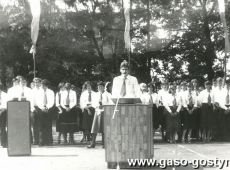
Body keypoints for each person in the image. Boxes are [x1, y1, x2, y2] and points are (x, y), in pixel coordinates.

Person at [36, 79, 54, 145]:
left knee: (48, 125)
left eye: (43, 85)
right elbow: (38, 101)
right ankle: (41, 141)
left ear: (47, 85)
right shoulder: (38, 92)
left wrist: (47, 107)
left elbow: (52, 101)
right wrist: (42, 108)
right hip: (41, 110)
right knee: (41, 126)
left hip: (49, 110)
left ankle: (49, 141)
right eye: (42, 85)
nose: (42, 86)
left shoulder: (51, 92)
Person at [88, 81, 105, 148]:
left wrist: (103, 106)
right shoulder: (96, 94)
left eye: (101, 86)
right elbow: (93, 103)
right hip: (97, 111)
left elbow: (110, 103)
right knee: (94, 128)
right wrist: (97, 106)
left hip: (104, 112)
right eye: (98, 87)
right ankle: (93, 143)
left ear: (104, 87)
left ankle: (104, 144)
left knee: (104, 128)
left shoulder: (108, 94)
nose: (99, 88)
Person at [31, 77, 42, 145]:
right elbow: (31, 100)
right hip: (34, 108)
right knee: (34, 125)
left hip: (41, 108)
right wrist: (33, 109)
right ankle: (36, 140)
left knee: (41, 124)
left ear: (40, 83)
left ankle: (41, 140)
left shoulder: (42, 90)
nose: (36, 83)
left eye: (37, 82)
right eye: (35, 82)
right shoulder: (32, 91)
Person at [0, 80, 8, 147]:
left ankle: (4, 143)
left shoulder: (5, 95)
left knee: (2, 128)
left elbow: (6, 105)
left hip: (3, 112)